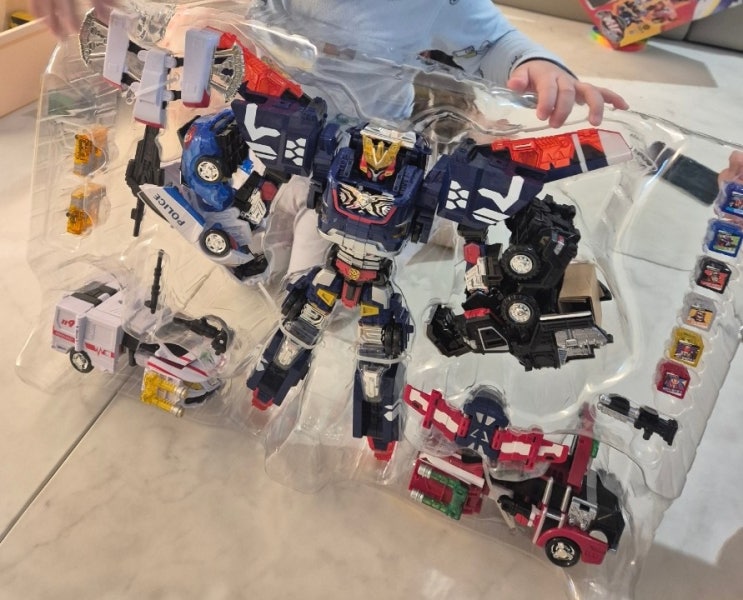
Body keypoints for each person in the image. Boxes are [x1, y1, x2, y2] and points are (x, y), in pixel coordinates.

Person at [30, 0, 628, 128]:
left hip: (366, 137)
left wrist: (540, 66)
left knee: (344, 262)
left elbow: (493, 41)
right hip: (266, 117)